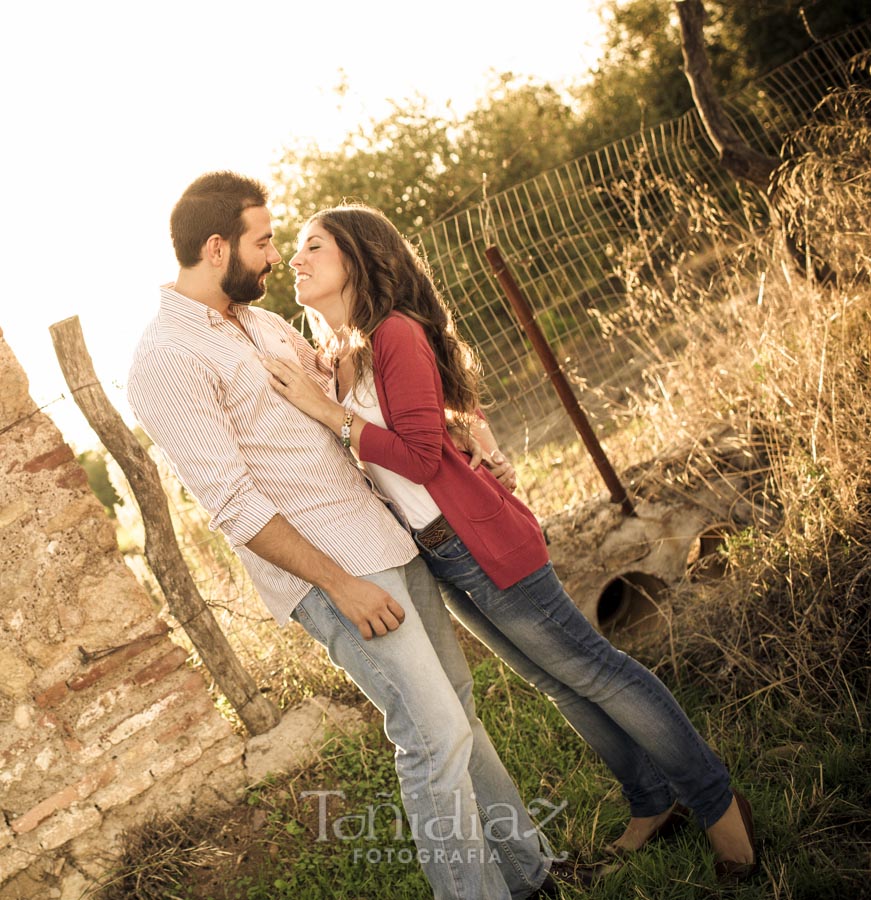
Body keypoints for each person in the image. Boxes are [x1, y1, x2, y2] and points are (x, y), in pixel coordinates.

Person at [261, 202, 759, 886]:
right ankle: (651, 802)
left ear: (357, 256)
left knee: (595, 669)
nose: (296, 258)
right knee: (555, 680)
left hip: (478, 541)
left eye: (312, 245)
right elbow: (433, 431)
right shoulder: (342, 353)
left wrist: (329, 414)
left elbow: (418, 452)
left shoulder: (395, 332)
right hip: (436, 553)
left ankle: (718, 806)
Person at [126, 171, 590, 900]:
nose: (277, 255)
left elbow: (355, 397)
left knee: (458, 713)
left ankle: (530, 876)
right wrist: (337, 585)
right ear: (217, 248)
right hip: (336, 574)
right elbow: (232, 505)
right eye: (264, 240)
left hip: (389, 541)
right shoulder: (165, 360)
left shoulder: (259, 322)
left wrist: (463, 430)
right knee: (431, 734)